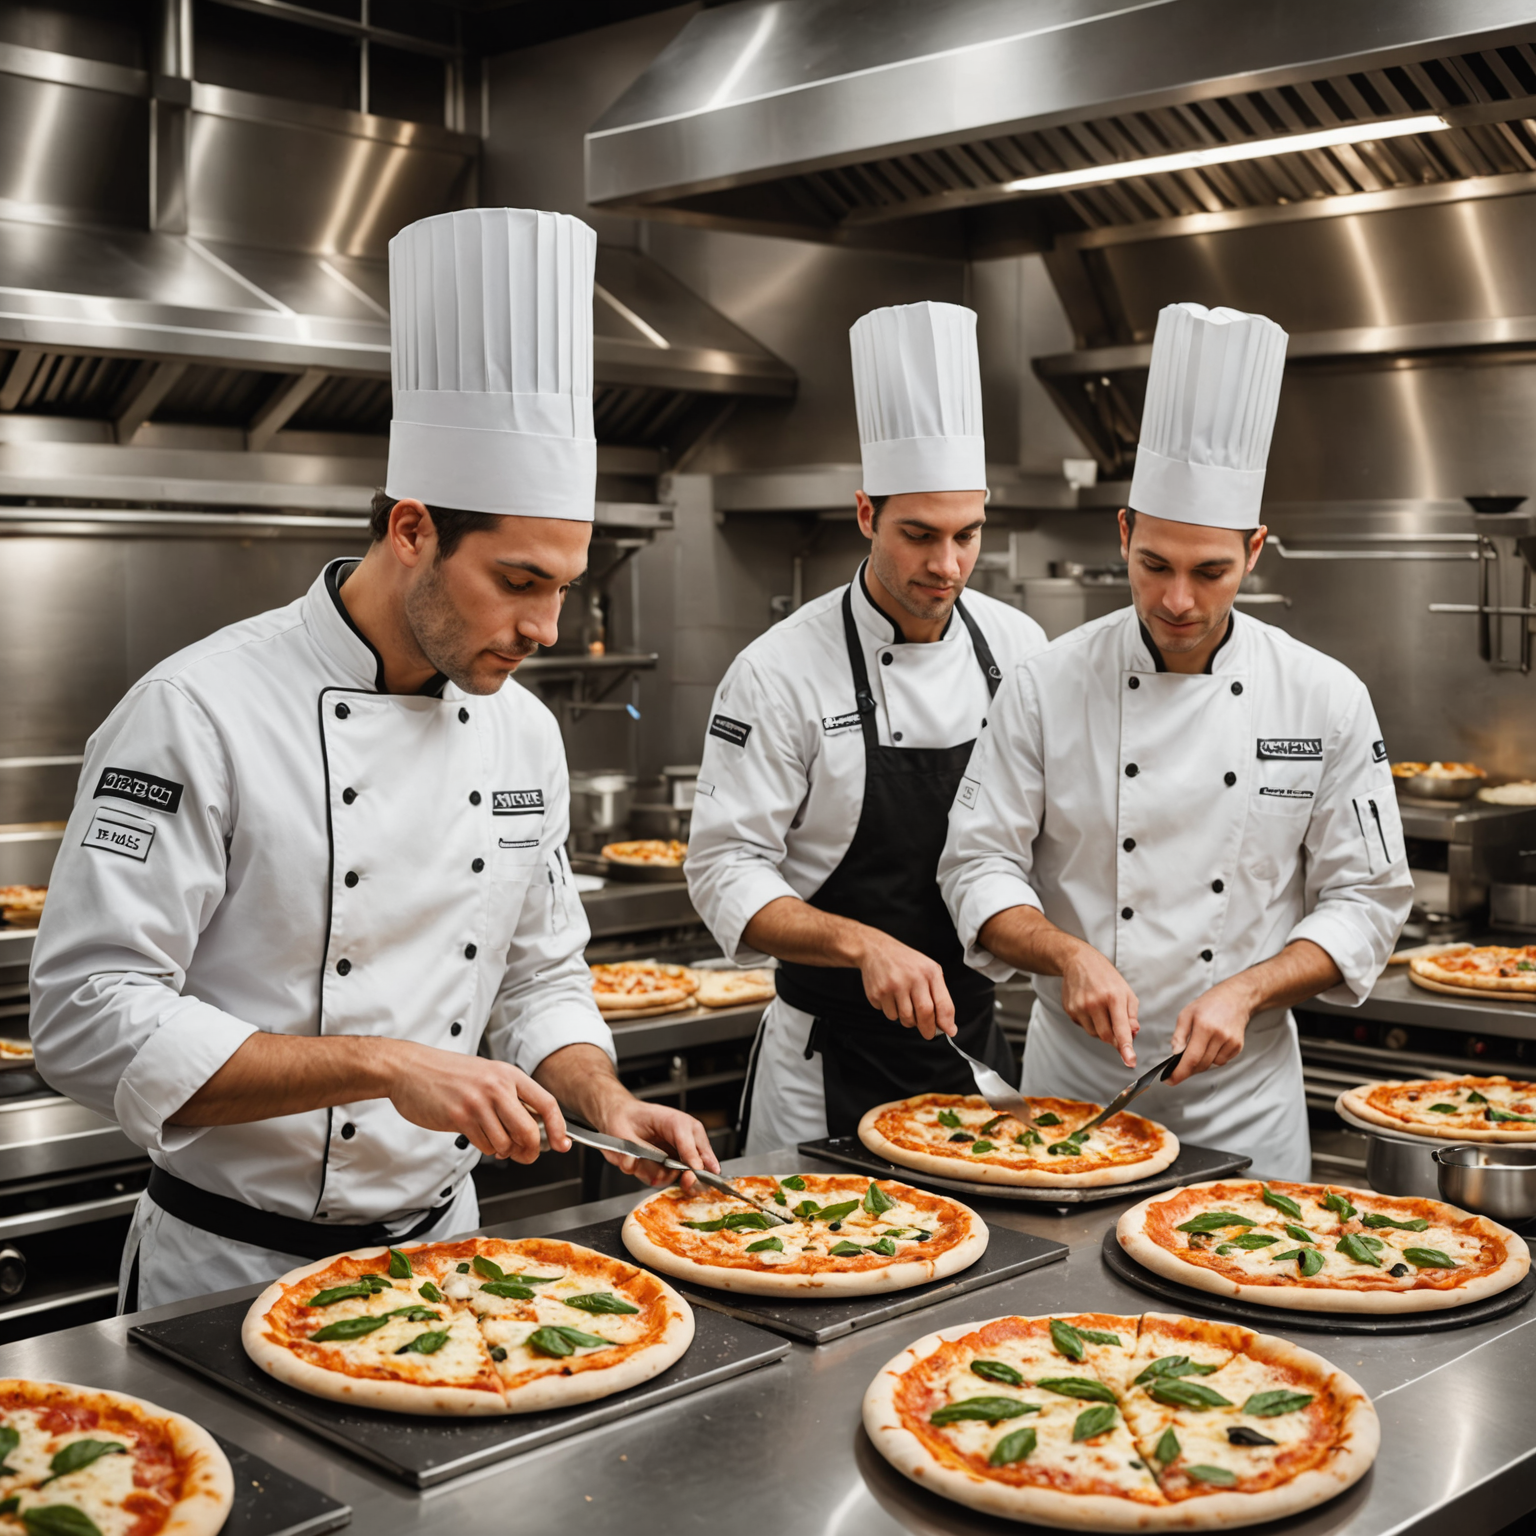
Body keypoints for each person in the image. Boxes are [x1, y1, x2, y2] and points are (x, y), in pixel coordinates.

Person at [30, 208, 716, 1309]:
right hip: (229, 1270)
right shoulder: (198, 711)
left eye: (566, 588)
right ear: (412, 531)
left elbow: (538, 972)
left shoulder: (521, 732)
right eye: (519, 581)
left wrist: (600, 1097)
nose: (547, 629)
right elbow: (85, 1016)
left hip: (450, 1264)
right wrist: (385, 1061)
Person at [938, 302, 1413, 1179]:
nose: (1179, 600)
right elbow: (976, 867)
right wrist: (1067, 954)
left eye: (1211, 571)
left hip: (1248, 1100)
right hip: (1071, 1097)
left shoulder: (1324, 696)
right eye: (1154, 564)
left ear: (1256, 550)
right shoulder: (1046, 684)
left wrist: (1249, 987)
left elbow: (1368, 899)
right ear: (1123, 532)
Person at [687, 302, 1048, 1153]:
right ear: (864, 514)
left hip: (976, 1051)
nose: (946, 566)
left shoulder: (1021, 647)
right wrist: (859, 945)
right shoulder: (779, 670)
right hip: (825, 1061)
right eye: (918, 535)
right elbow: (723, 869)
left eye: (967, 536)